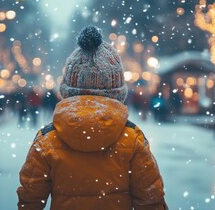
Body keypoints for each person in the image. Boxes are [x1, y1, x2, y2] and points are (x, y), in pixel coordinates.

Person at [17, 26, 168, 210]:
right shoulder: (132, 139)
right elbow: (151, 201)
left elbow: (30, 200)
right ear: (117, 91)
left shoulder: (47, 140)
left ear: (68, 89)